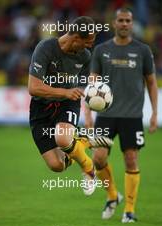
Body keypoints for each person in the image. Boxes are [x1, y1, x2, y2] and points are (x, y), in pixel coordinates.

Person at [85, 8, 158, 222]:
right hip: (106, 115)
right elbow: (92, 84)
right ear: (114, 23)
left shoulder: (143, 50)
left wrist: (154, 113)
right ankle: (111, 196)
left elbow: (151, 83)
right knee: (98, 159)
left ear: (132, 23)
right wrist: (87, 115)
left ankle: (129, 210)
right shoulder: (101, 50)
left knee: (131, 160)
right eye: (121, 20)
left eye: (128, 20)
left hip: (132, 115)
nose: (125, 24)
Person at [28, 16, 112, 196]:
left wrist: (89, 113)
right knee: (56, 166)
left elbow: (89, 89)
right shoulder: (46, 48)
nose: (90, 46)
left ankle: (88, 168)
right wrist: (65, 92)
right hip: (41, 107)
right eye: (88, 41)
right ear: (76, 38)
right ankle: (82, 140)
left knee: (63, 139)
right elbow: (33, 88)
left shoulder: (85, 56)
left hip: (67, 103)